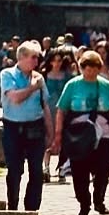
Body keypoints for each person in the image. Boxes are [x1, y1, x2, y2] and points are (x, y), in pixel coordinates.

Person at [54, 49, 109, 215]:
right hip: (79, 135)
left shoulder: (106, 86)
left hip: (103, 133)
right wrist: (58, 133)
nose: (89, 71)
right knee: (79, 170)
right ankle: (84, 202)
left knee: (103, 168)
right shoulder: (73, 85)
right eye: (85, 67)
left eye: (93, 67)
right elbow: (62, 110)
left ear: (99, 68)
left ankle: (99, 198)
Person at [0, 40, 54, 212]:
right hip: (13, 128)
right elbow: (14, 98)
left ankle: (31, 209)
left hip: (35, 127)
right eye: (32, 58)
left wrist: (51, 132)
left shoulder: (39, 78)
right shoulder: (7, 75)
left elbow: (45, 105)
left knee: (36, 171)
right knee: (15, 171)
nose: (36, 62)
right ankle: (13, 206)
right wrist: (31, 88)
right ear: (21, 57)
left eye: (37, 58)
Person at [41, 47, 71, 183]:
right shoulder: (44, 75)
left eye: (59, 60)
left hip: (64, 109)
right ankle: (45, 167)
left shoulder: (67, 76)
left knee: (64, 139)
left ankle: (61, 168)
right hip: (48, 109)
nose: (57, 63)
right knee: (48, 137)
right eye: (54, 61)